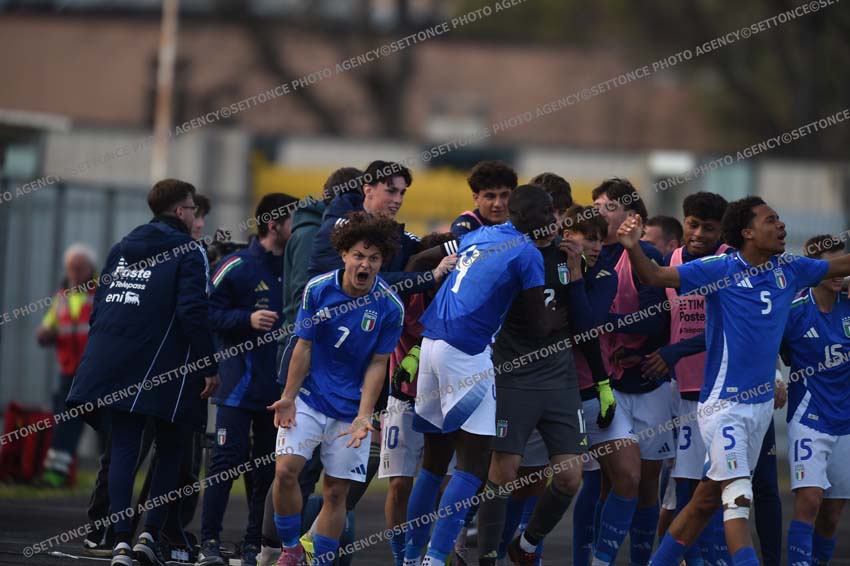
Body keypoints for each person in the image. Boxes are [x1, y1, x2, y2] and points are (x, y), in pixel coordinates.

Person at [617, 196, 850, 566]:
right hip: (725, 408)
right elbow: (655, 276)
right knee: (738, 498)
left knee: (705, 502)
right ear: (747, 232)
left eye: (780, 219)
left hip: (760, 410)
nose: (781, 225)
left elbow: (841, 264)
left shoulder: (790, 268)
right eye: (771, 220)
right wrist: (631, 247)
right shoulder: (720, 269)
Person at [403, 185, 560, 566]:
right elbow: (540, 325)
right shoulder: (528, 252)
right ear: (529, 215)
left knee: (433, 464)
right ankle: (434, 559)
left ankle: (408, 558)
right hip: (466, 353)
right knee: (473, 466)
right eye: (548, 211)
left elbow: (419, 260)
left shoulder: (479, 234)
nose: (553, 219)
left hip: (431, 344)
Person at [67, 179, 220, 566]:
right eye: (192, 208)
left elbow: (101, 307)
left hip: (113, 363)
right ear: (180, 211)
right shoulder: (189, 250)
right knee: (170, 448)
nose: (194, 216)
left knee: (122, 448)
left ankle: (119, 540)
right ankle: (149, 536)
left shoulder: (121, 247)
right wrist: (208, 364)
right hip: (164, 367)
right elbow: (193, 311)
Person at [475, 202, 612, 566]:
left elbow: (585, 328)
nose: (549, 225)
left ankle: (526, 544)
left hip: (560, 380)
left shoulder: (571, 260)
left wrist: (575, 274)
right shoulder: (508, 255)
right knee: (502, 474)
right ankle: (485, 557)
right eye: (542, 218)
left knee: (570, 478)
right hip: (513, 376)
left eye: (552, 218)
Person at [268, 212, 405, 566]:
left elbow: (379, 363)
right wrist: (288, 397)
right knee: (284, 472)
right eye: (359, 255)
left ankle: (321, 560)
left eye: (374, 258)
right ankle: (291, 549)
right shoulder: (318, 290)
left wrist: (364, 415)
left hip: (350, 411)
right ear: (344, 254)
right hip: (310, 399)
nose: (365, 264)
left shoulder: (390, 306)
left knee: (336, 491)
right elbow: (303, 346)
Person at [259, 168, 363, 565]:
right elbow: (309, 299)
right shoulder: (313, 235)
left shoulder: (312, 229)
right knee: (293, 468)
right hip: (306, 357)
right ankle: (274, 549)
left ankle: (300, 549)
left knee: (328, 479)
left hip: (330, 365)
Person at [196, 193, 298, 566]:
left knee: (267, 472)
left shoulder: (297, 267)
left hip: (278, 394)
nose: (301, 228)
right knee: (225, 464)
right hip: (237, 388)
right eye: (294, 220)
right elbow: (205, 314)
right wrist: (246, 319)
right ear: (273, 224)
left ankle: (254, 545)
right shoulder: (235, 265)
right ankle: (209, 543)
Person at [590, 179, 669, 566]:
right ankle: (599, 560)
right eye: (595, 206)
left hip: (651, 384)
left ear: (631, 216)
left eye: (608, 206)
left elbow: (659, 320)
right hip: (608, 385)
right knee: (621, 479)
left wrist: (612, 324)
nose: (598, 213)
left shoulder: (646, 255)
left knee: (647, 484)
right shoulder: (588, 254)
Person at [381, 232, 458, 566]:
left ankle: (438, 554)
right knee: (400, 485)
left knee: (447, 485)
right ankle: (402, 558)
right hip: (404, 399)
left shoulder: (459, 298)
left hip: (446, 402)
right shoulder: (404, 295)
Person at [781, 234, 850, 566]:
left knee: (832, 515)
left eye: (843, 264)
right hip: (808, 418)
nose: (839, 272)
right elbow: (767, 346)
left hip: (846, 422)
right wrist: (775, 377)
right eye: (831, 266)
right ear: (813, 269)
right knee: (809, 502)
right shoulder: (794, 309)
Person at [558, 205, 619, 566]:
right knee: (526, 482)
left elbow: (587, 327)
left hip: (592, 390)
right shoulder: (546, 266)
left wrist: (577, 275)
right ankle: (521, 548)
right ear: (568, 236)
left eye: (600, 240)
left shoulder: (606, 274)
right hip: (548, 390)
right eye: (590, 239)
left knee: (626, 476)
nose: (598, 247)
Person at [37, 243, 99, 488]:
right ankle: (55, 475)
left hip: (95, 372)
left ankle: (109, 476)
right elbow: (49, 324)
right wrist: (45, 333)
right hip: (69, 372)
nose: (75, 272)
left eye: (80, 267)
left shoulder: (101, 291)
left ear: (90, 268)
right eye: (72, 268)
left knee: (107, 425)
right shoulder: (62, 296)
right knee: (64, 423)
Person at [450, 161, 518, 237]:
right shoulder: (465, 227)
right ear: (476, 199)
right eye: (490, 197)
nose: (498, 204)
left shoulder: (520, 223)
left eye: (504, 196)